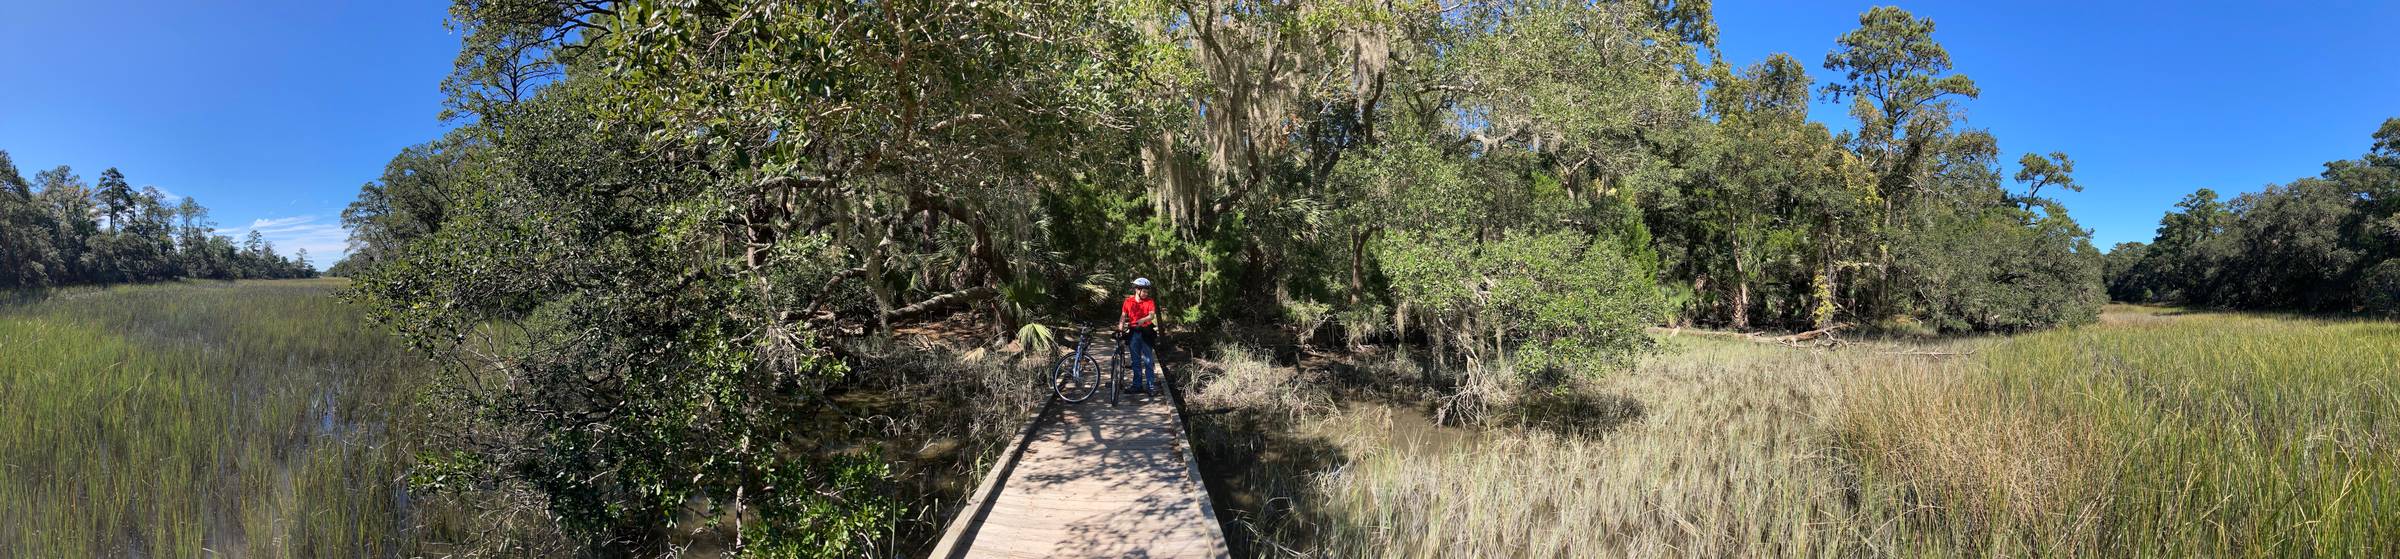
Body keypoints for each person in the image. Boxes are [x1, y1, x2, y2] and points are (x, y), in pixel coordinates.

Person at [1118, 277, 1160, 394]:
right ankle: (1137, 385)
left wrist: (1143, 319)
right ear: (1137, 290)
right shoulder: (1128, 301)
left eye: (1147, 291)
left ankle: (1150, 386)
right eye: (1144, 291)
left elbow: (1151, 316)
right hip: (1133, 333)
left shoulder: (1150, 301)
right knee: (1135, 361)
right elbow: (1123, 316)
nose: (1146, 294)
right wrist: (1120, 329)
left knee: (1148, 360)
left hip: (1146, 332)